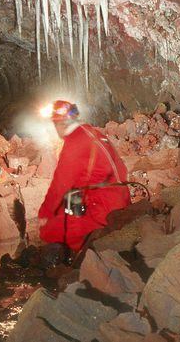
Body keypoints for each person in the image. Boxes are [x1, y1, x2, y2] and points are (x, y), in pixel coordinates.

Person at [38, 100, 131, 252]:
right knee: (68, 207)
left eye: (55, 124)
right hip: (122, 199)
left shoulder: (76, 142)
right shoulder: (95, 134)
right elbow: (120, 169)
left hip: (104, 209)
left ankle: (79, 260)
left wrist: (45, 213)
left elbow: (60, 185)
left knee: (50, 230)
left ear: (60, 124)